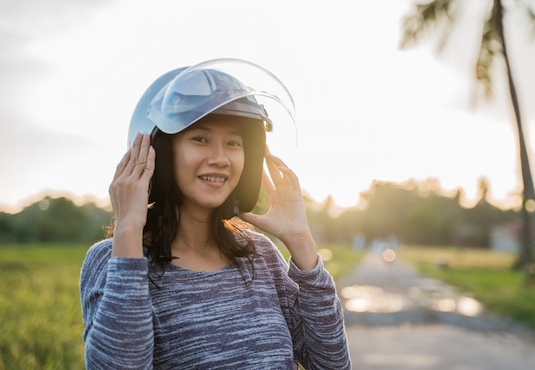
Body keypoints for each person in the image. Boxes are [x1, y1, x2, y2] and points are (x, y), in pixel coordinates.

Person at [79, 58, 351, 369]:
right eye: (200, 139)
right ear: (159, 152)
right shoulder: (112, 260)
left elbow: (331, 365)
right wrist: (128, 228)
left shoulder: (260, 256)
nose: (220, 158)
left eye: (233, 142)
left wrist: (300, 240)